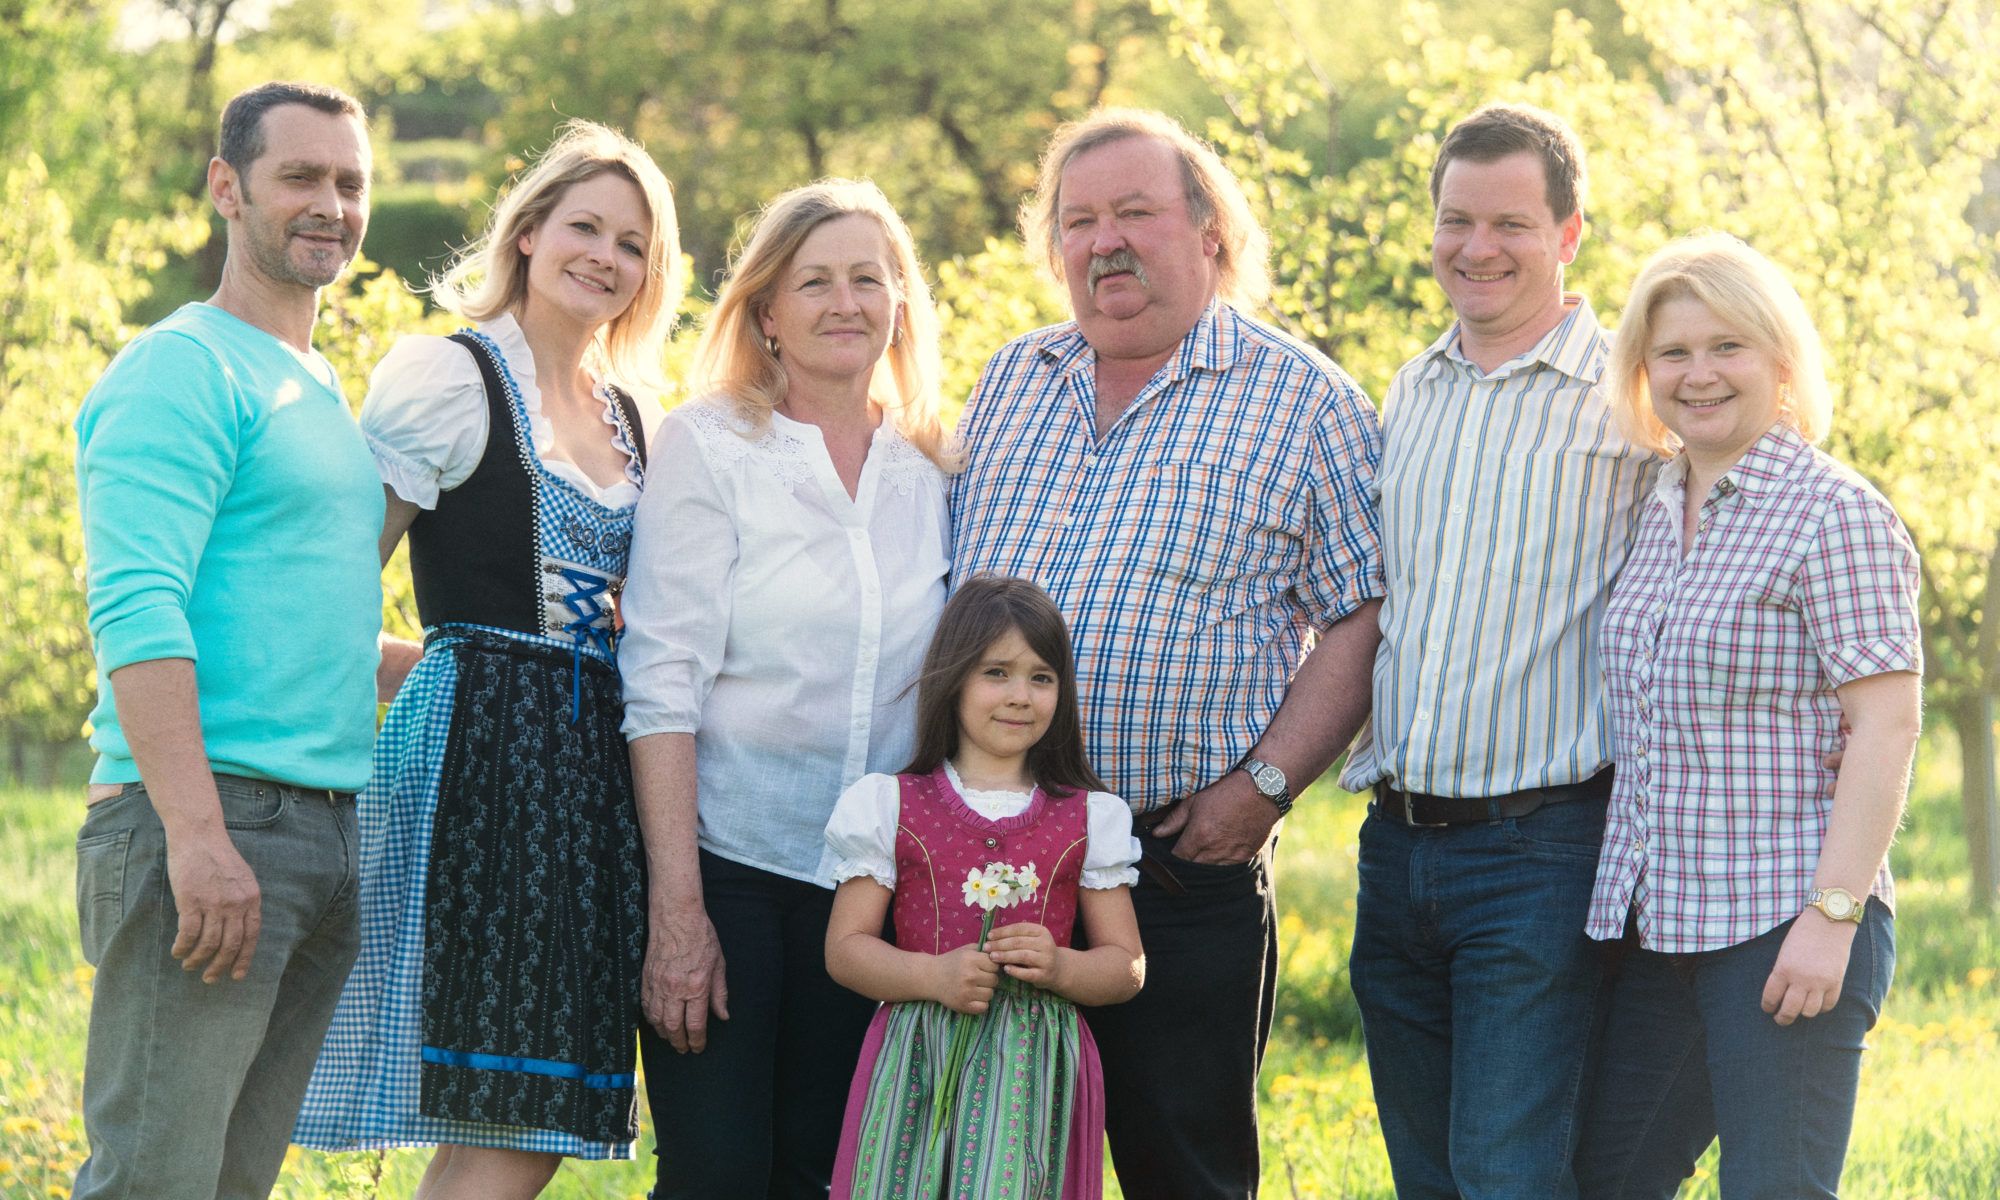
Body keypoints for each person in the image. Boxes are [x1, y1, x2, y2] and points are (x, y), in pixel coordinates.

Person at [951, 108, 1384, 1198]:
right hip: (993, 867)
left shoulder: (1306, 404)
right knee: (987, 1173)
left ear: (1209, 235)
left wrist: (1265, 788)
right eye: (1078, 220)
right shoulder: (1009, 382)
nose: (1105, 242)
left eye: (1135, 213)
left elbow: (1364, 614)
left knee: (1181, 1174)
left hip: (1177, 869)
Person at [290, 120, 685, 1197]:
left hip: (602, 786)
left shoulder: (638, 415)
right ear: (528, 234)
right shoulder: (451, 377)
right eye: (584, 227)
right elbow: (330, 592)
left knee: (531, 1105)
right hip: (487, 779)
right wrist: (450, 673)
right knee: (518, 1105)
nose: (604, 256)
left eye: (633, 243)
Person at [1336, 102, 1659, 1199]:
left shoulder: (1635, 395)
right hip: (1394, 849)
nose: (1476, 249)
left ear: (1568, 235)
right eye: (1454, 221)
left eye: (1510, 224)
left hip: (1542, 847)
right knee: (1425, 1177)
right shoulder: (1409, 389)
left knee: (1504, 1172)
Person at [71, 81, 382, 1200]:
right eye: (299, 176)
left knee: (229, 1186)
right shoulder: (181, 368)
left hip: (326, 833)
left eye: (349, 183)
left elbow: (312, 626)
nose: (330, 205)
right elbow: (138, 609)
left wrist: (475, 666)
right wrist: (197, 838)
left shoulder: (313, 385)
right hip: (214, 824)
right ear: (225, 187)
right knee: (153, 1183)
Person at [618, 178, 955, 1198]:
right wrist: (677, 913)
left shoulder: (933, 465)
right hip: (727, 863)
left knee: (826, 1172)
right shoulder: (711, 445)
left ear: (899, 300)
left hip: (871, 883)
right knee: (717, 1173)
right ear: (766, 310)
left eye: (867, 277)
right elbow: (661, 680)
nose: (843, 302)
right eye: (814, 281)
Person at [1573, 234, 1921, 1199]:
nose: (1698, 374)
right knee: (1605, 1181)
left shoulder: (1834, 513)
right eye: (1673, 352)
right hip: (1660, 926)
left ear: (1780, 359)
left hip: (1784, 920)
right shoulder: (1652, 504)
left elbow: (1887, 728)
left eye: (1727, 347)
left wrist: (1832, 916)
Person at [822, 575, 1146, 1199]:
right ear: (954, 679)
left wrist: (1060, 968)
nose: (1020, 696)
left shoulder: (1088, 816)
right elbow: (845, 948)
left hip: (1033, 1070)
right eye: (996, 672)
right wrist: (931, 977)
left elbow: (1126, 965)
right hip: (920, 1058)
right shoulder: (892, 804)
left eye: (1042, 677)